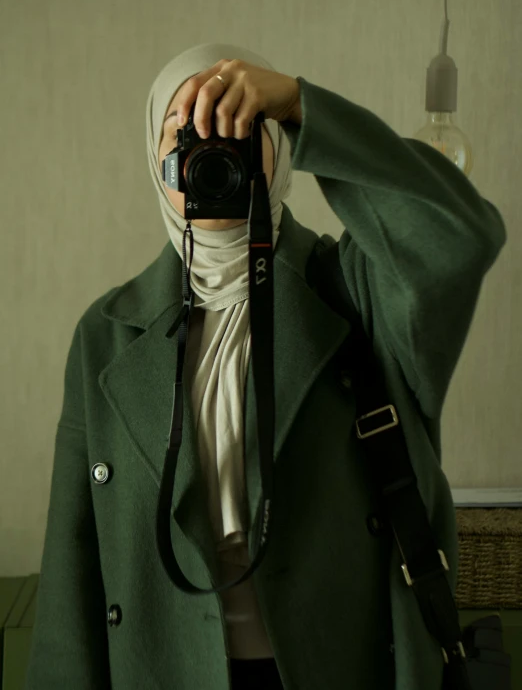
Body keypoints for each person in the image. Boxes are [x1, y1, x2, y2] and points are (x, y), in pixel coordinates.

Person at [24, 42, 507, 690]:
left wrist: (304, 106)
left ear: (281, 149)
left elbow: (461, 236)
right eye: (187, 133)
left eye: (241, 129)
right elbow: (71, 564)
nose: (213, 153)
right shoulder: (108, 334)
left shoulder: (356, 292)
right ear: (154, 158)